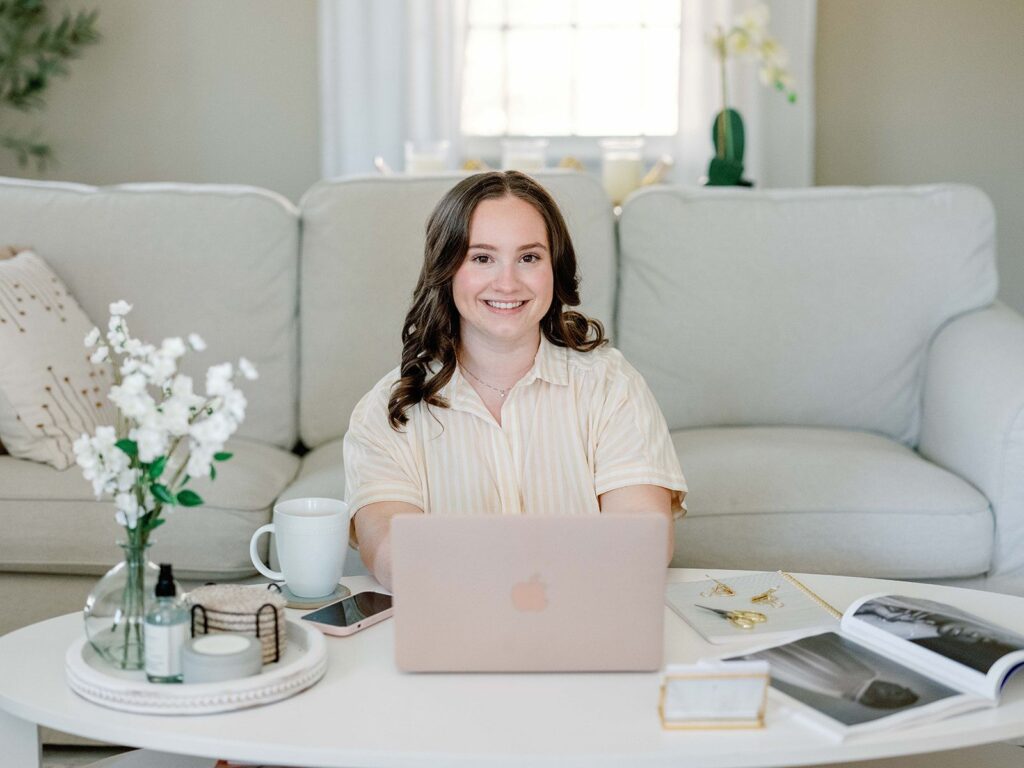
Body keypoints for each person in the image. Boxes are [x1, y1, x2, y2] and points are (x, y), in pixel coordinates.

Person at [343, 171, 687, 590]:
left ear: (554, 270)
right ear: (447, 268)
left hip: (584, 625)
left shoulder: (611, 385)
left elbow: (643, 538)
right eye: (482, 257)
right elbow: (391, 551)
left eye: (528, 257)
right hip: (456, 630)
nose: (507, 283)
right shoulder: (387, 410)